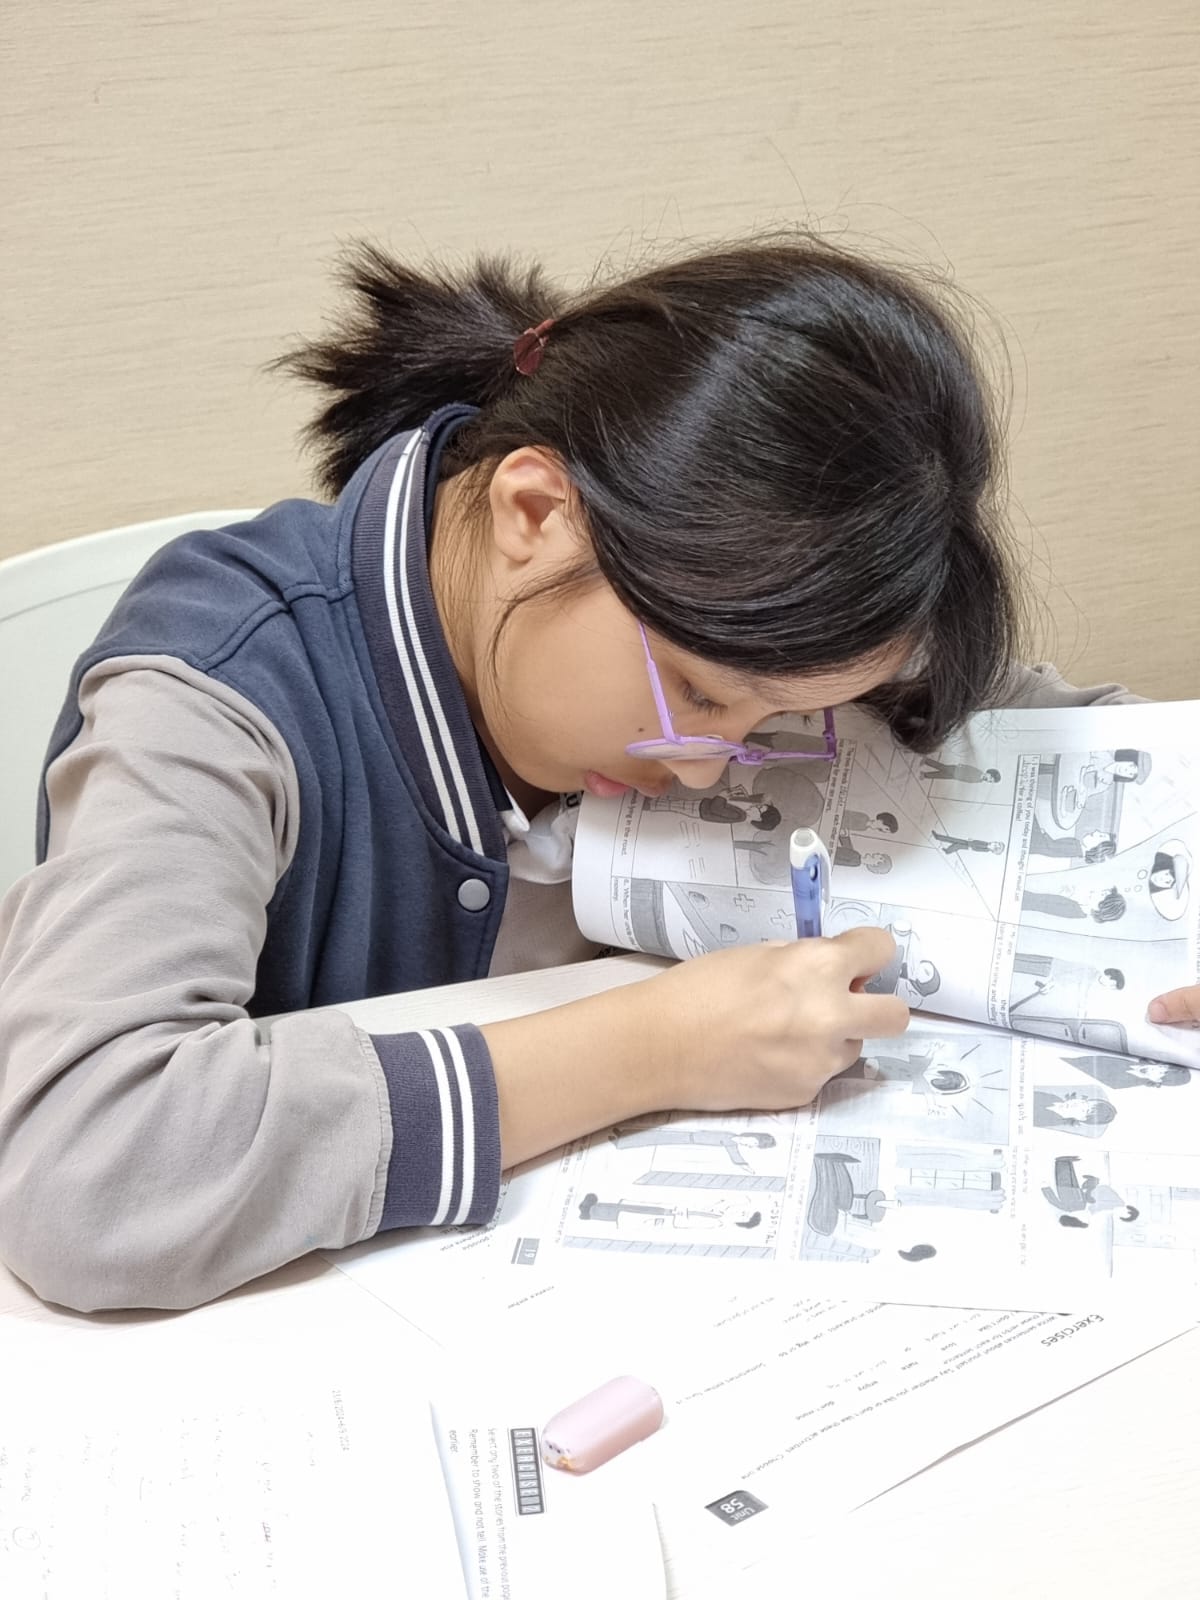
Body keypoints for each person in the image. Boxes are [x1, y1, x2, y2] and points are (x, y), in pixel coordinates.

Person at [0, 233, 1152, 1313]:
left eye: (785, 715)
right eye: (700, 694)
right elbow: (85, 1170)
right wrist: (651, 1048)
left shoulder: (734, 613)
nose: (707, 762)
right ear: (536, 513)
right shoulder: (218, 688)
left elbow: (1085, 742)